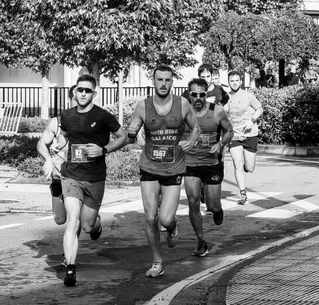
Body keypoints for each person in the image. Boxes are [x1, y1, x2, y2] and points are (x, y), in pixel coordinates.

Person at [38, 75, 127, 287]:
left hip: (95, 178)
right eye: (80, 90)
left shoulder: (103, 116)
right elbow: (59, 138)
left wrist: (103, 149)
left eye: (88, 90)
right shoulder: (66, 116)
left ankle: (96, 225)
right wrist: (50, 158)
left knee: (87, 225)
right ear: (75, 92)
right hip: (71, 176)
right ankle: (70, 268)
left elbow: (123, 137)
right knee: (72, 220)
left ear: (94, 93)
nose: (83, 93)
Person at [127, 64, 200, 278]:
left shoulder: (182, 104)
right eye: (160, 79)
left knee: (166, 219)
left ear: (172, 82)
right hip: (149, 166)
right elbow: (132, 132)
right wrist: (131, 133)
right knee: (150, 218)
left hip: (174, 167)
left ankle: (172, 228)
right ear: (153, 81)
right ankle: (157, 262)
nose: (163, 84)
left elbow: (195, 128)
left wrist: (192, 141)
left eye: (167, 80)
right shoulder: (143, 106)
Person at [184, 77, 233, 257]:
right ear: (189, 94)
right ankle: (201, 241)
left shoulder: (217, 112)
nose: (197, 98)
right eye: (194, 94)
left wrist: (220, 144)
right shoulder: (183, 112)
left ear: (206, 94)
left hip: (212, 163)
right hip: (190, 163)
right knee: (192, 201)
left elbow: (229, 131)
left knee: (212, 206)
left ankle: (217, 209)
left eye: (201, 95)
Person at [37, 85, 76, 232]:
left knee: (76, 218)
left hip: (81, 177)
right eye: (75, 99)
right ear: (70, 99)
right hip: (59, 178)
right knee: (60, 219)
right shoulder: (57, 122)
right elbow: (41, 143)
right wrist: (48, 158)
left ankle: (69, 253)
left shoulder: (91, 123)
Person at [225, 70, 263, 205]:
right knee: (237, 163)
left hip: (250, 134)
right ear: (228, 82)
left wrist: (251, 121)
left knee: (249, 168)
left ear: (240, 81)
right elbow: (222, 114)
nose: (234, 83)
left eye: (236, 80)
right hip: (234, 136)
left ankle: (248, 166)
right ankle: (243, 194)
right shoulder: (226, 97)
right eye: (231, 81)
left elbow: (260, 109)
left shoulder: (248, 95)